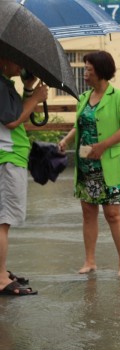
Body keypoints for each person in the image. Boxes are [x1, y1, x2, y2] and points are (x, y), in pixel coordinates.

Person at [58, 51, 120, 277]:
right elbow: (78, 125)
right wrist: (66, 140)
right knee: (88, 213)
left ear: (101, 72)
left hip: (108, 163)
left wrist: (103, 145)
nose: (85, 74)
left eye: (89, 70)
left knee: (113, 214)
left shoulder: (118, 96)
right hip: (86, 165)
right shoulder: (84, 98)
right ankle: (90, 261)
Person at [0, 57, 48, 295]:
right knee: (2, 220)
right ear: (2, 59)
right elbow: (12, 121)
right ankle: (0, 278)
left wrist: (28, 89)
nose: (20, 66)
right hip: (6, 156)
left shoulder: (5, 84)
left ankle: (0, 270)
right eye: (16, 60)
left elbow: (15, 114)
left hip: (11, 156)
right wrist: (37, 99)